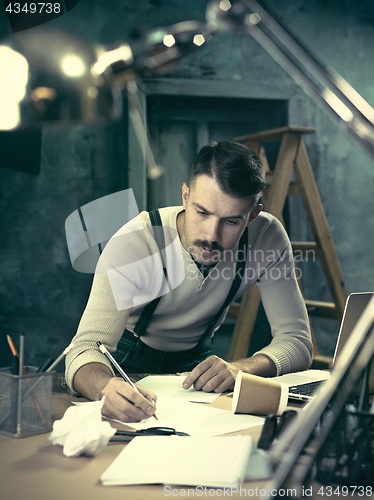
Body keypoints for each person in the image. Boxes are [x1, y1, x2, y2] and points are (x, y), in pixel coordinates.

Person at [65, 141, 312, 423]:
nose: (211, 235)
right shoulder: (137, 242)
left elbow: (298, 343)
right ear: (185, 196)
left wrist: (241, 369)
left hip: (196, 362)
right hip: (125, 360)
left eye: (231, 221)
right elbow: (84, 349)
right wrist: (103, 388)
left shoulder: (267, 237)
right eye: (202, 212)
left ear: (252, 215)